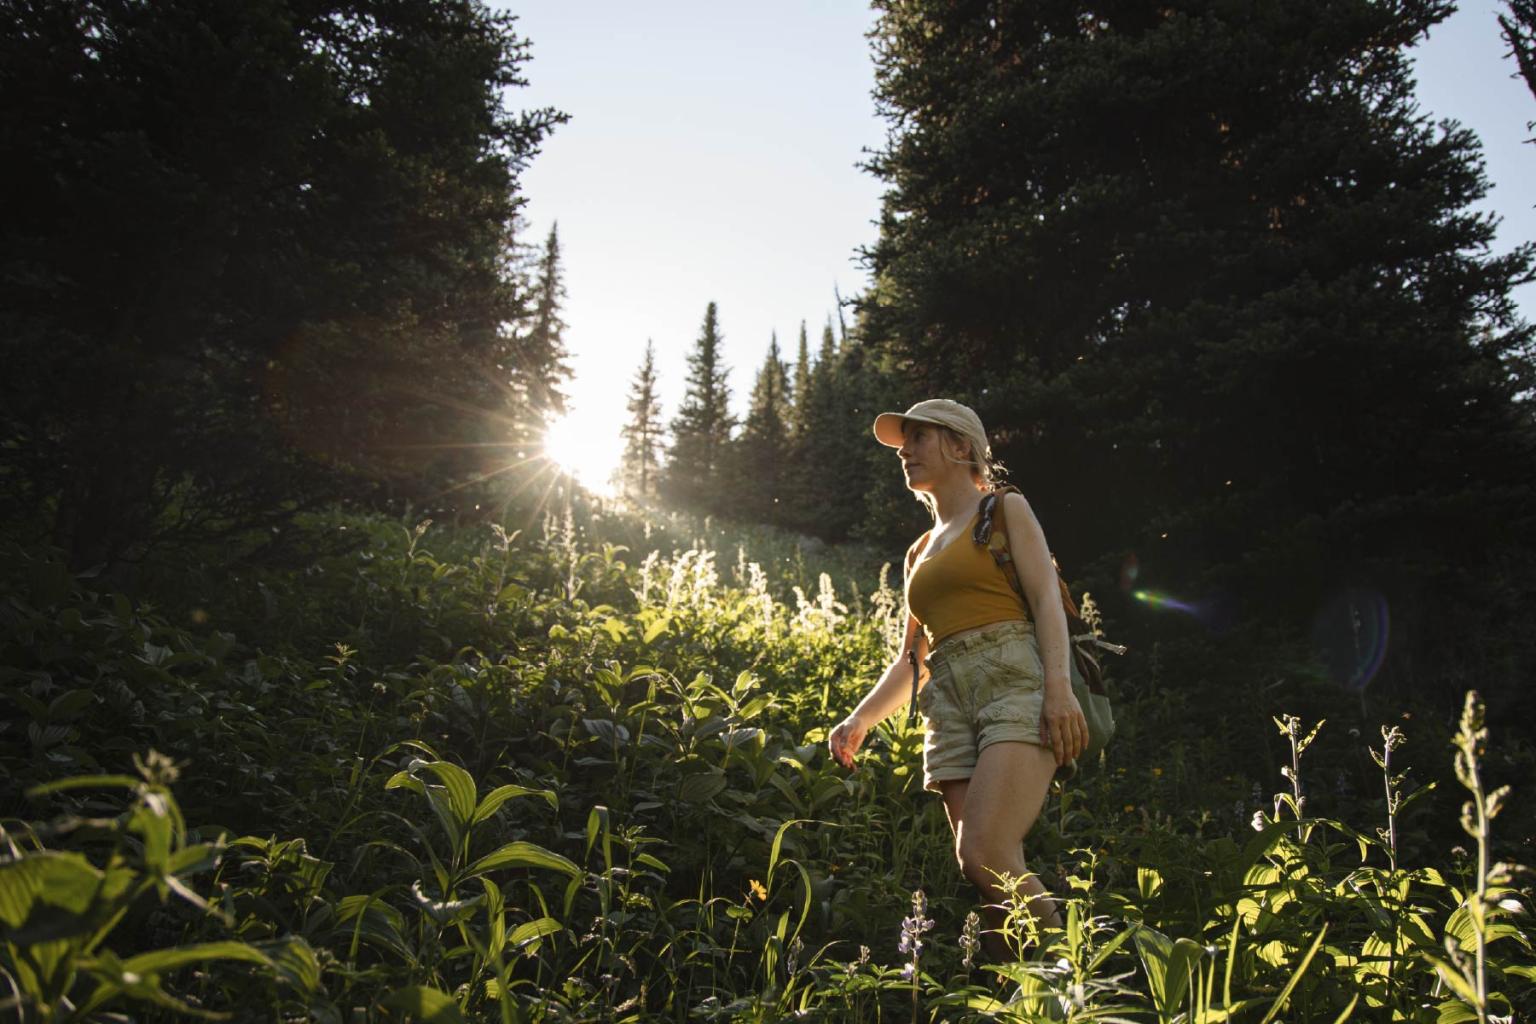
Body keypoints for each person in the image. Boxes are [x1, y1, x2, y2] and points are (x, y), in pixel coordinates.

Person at [827, 398, 1088, 964]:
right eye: (904, 441)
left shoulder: (1004, 509)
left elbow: (1046, 600)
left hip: (1013, 682)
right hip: (946, 703)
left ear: (962, 447)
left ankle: (1079, 983)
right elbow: (911, 660)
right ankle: (1015, 997)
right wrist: (860, 719)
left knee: (984, 852)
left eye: (919, 437)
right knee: (992, 884)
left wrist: (1059, 690)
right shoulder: (918, 552)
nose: (905, 451)